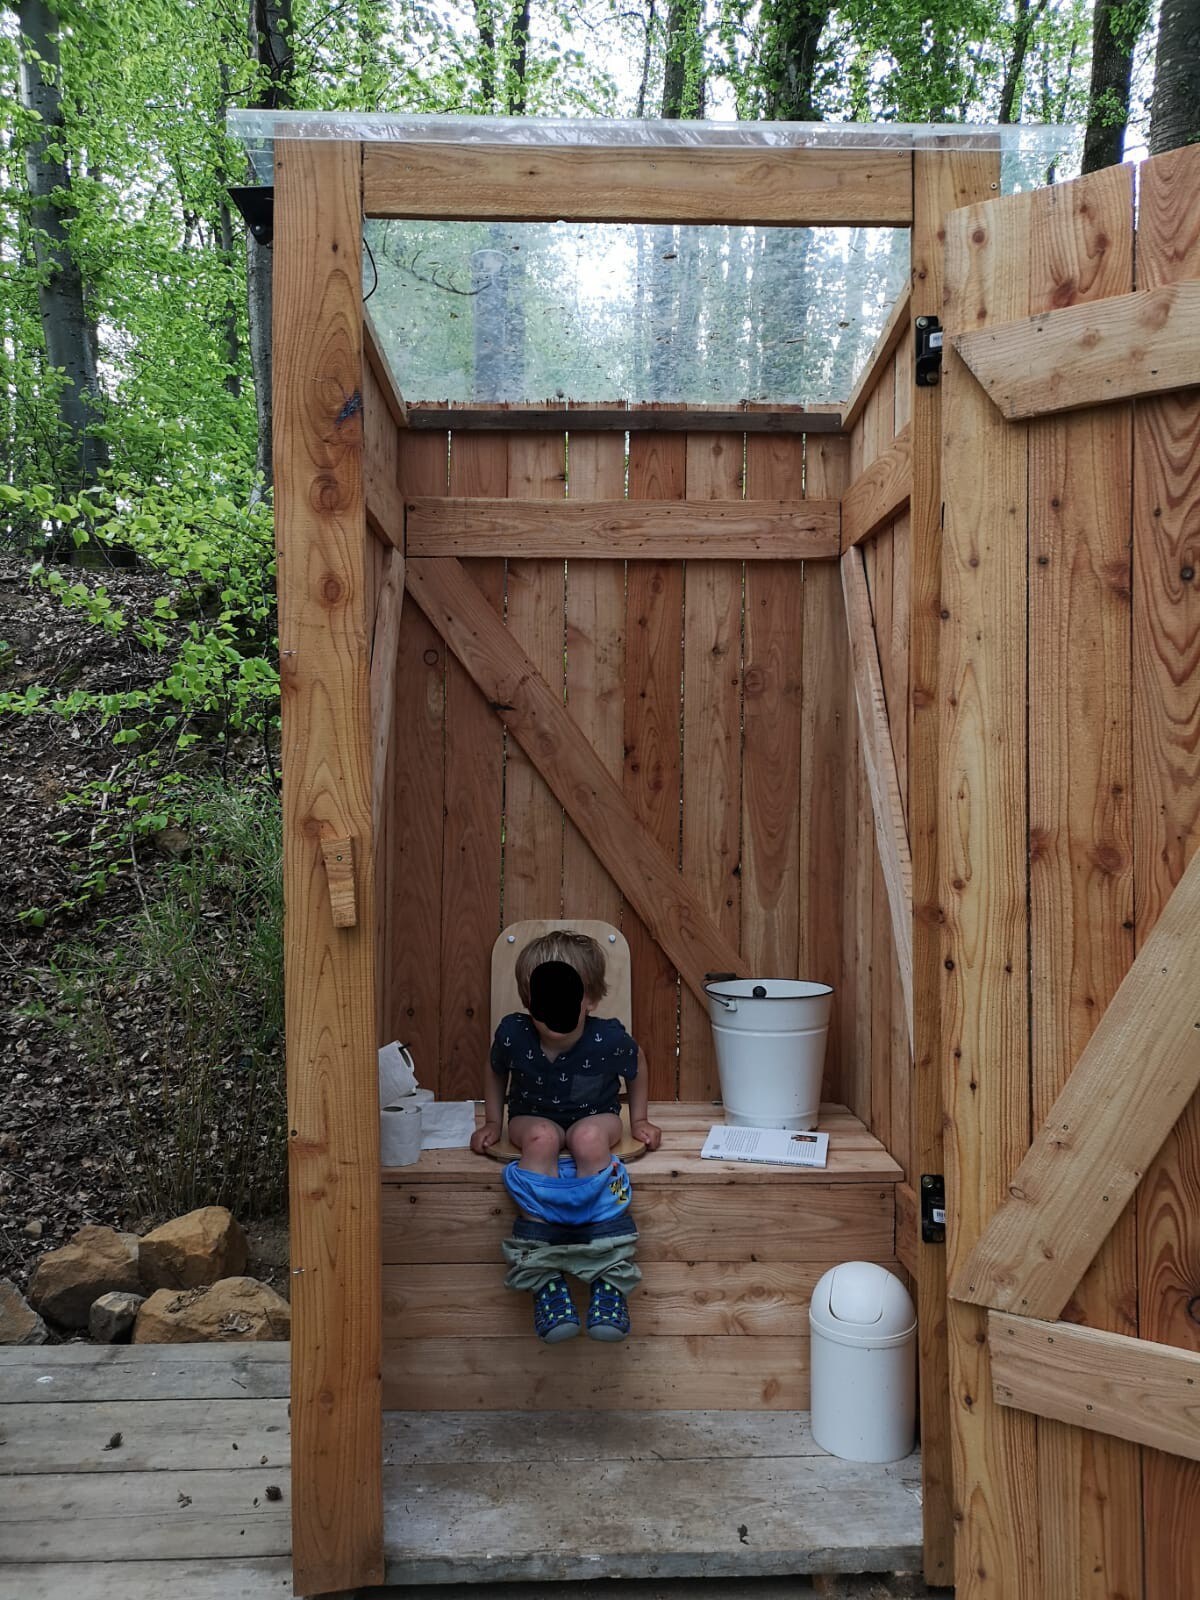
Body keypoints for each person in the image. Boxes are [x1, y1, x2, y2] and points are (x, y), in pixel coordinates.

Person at [470, 930, 661, 1343]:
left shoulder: (607, 1037)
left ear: (589, 999)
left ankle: (609, 1275)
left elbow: (638, 1065)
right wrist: (491, 1121)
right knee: (540, 1139)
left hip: (596, 1115)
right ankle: (544, 1277)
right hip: (532, 1116)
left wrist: (640, 1118)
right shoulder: (514, 1034)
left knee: (590, 1139)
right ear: (528, 1000)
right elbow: (495, 1068)